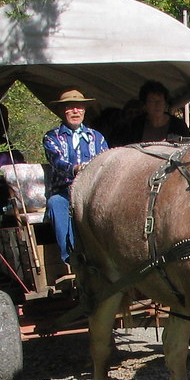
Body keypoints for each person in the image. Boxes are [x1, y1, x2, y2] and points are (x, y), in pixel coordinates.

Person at [43, 88, 108, 264]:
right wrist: (77, 168)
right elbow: (56, 162)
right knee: (55, 203)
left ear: (85, 110)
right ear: (61, 111)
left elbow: (106, 163)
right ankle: (70, 258)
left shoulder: (97, 138)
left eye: (79, 107)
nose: (75, 111)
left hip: (92, 190)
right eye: (70, 108)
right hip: (65, 191)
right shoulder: (51, 138)